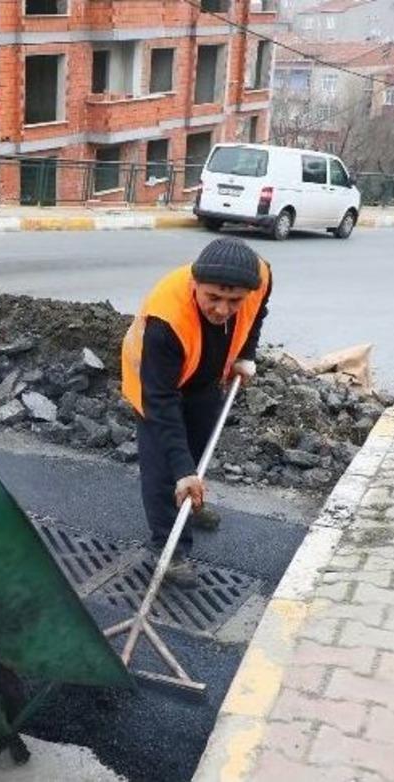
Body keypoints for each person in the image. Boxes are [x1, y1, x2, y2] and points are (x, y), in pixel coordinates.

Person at [121, 237, 272, 586]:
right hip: (154, 380)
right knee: (166, 466)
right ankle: (169, 548)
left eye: (234, 300)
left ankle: (188, 505)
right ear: (195, 284)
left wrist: (245, 353)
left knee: (198, 448)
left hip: (205, 373)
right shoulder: (165, 319)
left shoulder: (259, 276)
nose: (222, 309)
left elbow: (259, 309)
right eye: (213, 297)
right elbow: (161, 401)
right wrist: (182, 472)